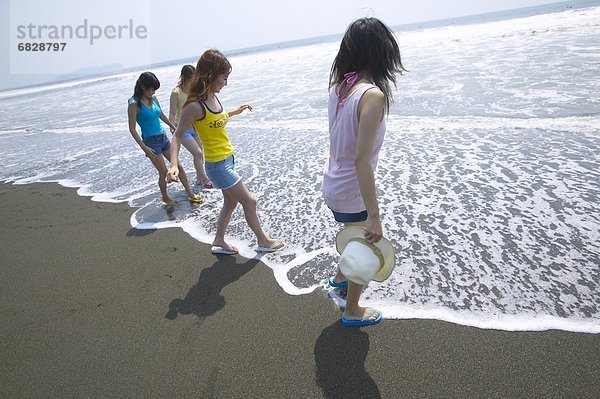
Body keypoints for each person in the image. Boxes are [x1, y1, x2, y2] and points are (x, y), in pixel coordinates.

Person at [321, 18, 406, 327]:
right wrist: (375, 214)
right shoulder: (373, 95)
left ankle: (338, 279)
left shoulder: (339, 87)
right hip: (351, 186)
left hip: (333, 183)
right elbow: (362, 161)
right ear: (382, 52)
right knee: (365, 247)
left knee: (354, 237)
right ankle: (352, 309)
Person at [167, 49, 284, 255]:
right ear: (211, 75)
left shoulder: (212, 96)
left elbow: (215, 119)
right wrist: (174, 164)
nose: (225, 83)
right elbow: (177, 135)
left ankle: (219, 240)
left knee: (230, 203)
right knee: (250, 201)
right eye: (224, 78)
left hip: (228, 160)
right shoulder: (194, 106)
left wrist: (235, 112)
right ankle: (263, 241)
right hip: (217, 166)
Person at [127, 71, 203, 206]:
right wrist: (144, 147)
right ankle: (165, 198)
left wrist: (173, 126)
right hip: (150, 142)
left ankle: (190, 193)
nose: (153, 93)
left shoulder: (153, 99)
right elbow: (132, 129)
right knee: (163, 172)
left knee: (178, 166)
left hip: (163, 138)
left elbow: (160, 114)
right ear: (143, 87)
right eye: (151, 89)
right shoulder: (134, 103)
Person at [169, 65, 213, 189]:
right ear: (184, 77)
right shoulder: (176, 92)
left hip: (195, 127)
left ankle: (199, 178)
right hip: (182, 128)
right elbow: (172, 113)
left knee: (201, 153)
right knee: (197, 153)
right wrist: (173, 129)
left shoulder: (194, 90)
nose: (194, 81)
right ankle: (204, 179)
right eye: (192, 78)